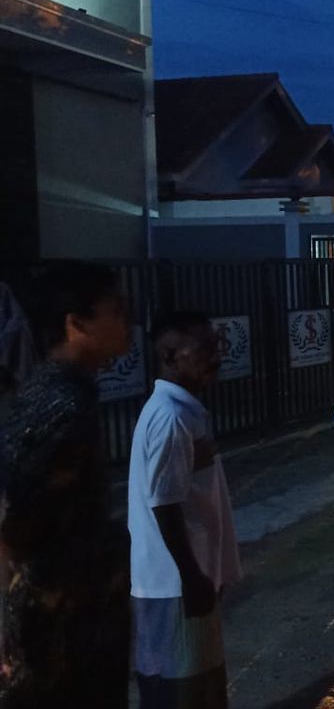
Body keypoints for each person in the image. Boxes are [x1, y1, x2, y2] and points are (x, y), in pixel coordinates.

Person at [0, 261, 132, 708]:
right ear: (76, 323)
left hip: (74, 614)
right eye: (114, 310)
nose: (126, 321)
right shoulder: (61, 406)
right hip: (60, 628)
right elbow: (16, 520)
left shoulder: (59, 394)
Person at [129, 311, 242, 708]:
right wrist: (192, 578)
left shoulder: (183, 411)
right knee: (182, 689)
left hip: (183, 578)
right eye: (204, 347)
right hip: (173, 583)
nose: (215, 355)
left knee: (193, 682)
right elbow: (164, 504)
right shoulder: (171, 418)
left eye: (217, 345)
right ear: (171, 354)